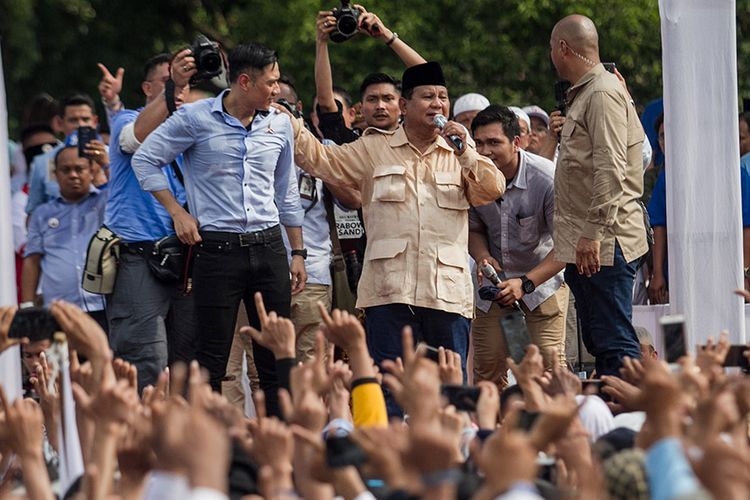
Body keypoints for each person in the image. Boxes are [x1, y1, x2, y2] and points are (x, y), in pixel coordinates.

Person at [281, 61, 505, 405]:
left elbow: (492, 189)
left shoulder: (460, 152)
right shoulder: (373, 149)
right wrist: (290, 122)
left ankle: (452, 456)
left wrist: (466, 152)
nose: (437, 104)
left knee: (450, 391)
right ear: (405, 106)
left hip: (445, 293)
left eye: (443, 97)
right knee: (387, 390)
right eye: (427, 96)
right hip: (389, 292)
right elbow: (321, 161)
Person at [132, 42, 305, 417]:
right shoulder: (195, 118)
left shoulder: (280, 123)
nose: (277, 90)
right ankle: (210, 453)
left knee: (276, 356)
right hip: (216, 251)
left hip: (270, 246)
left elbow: (286, 190)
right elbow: (145, 159)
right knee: (210, 358)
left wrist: (298, 252)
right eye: (271, 83)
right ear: (244, 81)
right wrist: (177, 211)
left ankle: (283, 448)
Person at [550, 14, 648, 376]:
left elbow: (611, 169)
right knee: (602, 342)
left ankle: (635, 423)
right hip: (591, 242)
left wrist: (592, 232)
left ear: (563, 48)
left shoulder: (602, 92)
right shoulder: (591, 92)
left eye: (551, 48)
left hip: (605, 241)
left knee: (615, 343)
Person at [104, 52, 197, 392]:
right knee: (145, 368)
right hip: (139, 261)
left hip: (187, 262)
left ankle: (184, 445)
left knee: (188, 371)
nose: (180, 89)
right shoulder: (125, 121)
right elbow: (137, 136)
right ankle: (140, 444)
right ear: (147, 89)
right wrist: (175, 85)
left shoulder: (196, 126)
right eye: (169, 80)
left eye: (186, 82)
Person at [468, 105, 567, 389]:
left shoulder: (546, 177)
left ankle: (552, 431)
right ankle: (492, 430)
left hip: (541, 287)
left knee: (548, 374)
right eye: (480, 143)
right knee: (487, 374)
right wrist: (482, 254)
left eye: (494, 142)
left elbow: (566, 245)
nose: (485, 151)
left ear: (516, 142)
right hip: (493, 291)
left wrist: (524, 284)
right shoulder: (471, 175)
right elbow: (473, 228)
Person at [21, 144, 109, 330]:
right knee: (60, 360)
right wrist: (28, 307)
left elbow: (124, 187)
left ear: (91, 172)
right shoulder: (42, 214)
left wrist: (107, 164)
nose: (73, 175)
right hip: (59, 311)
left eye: (80, 169)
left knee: (104, 359)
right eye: (66, 170)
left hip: (103, 308)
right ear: (55, 174)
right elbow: (32, 261)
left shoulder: (106, 203)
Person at [26, 93, 100, 214]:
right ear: (59, 123)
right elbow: (33, 212)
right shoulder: (42, 162)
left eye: (85, 119)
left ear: (94, 122)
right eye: (73, 120)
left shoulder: (110, 157)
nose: (80, 125)